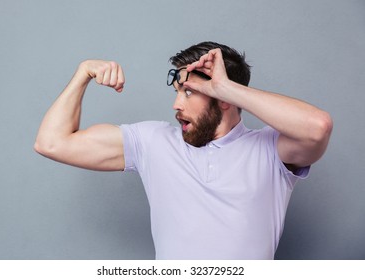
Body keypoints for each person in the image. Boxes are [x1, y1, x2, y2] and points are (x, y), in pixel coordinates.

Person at [34, 41, 332, 259]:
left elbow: (318, 126)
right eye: (177, 92)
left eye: (189, 92)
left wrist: (227, 88)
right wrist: (82, 73)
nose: (176, 104)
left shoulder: (270, 151)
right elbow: (51, 143)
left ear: (224, 98)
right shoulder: (152, 142)